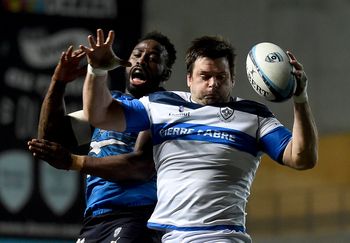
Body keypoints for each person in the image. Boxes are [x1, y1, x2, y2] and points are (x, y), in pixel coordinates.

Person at [52, 29, 317, 242]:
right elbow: (99, 114)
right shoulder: (161, 105)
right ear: (189, 78)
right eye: (205, 76)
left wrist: (300, 98)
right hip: (167, 236)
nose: (213, 83)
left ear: (233, 79)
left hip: (220, 236)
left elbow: (301, 157)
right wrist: (96, 71)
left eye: (221, 77)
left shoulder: (253, 115)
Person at [28, 30, 177, 243]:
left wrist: (74, 161)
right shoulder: (109, 106)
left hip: (136, 216)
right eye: (137, 54)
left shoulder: (162, 105)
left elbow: (140, 167)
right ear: (126, 62)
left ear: (165, 73)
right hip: (95, 219)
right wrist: (59, 81)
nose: (142, 60)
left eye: (153, 59)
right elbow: (52, 137)